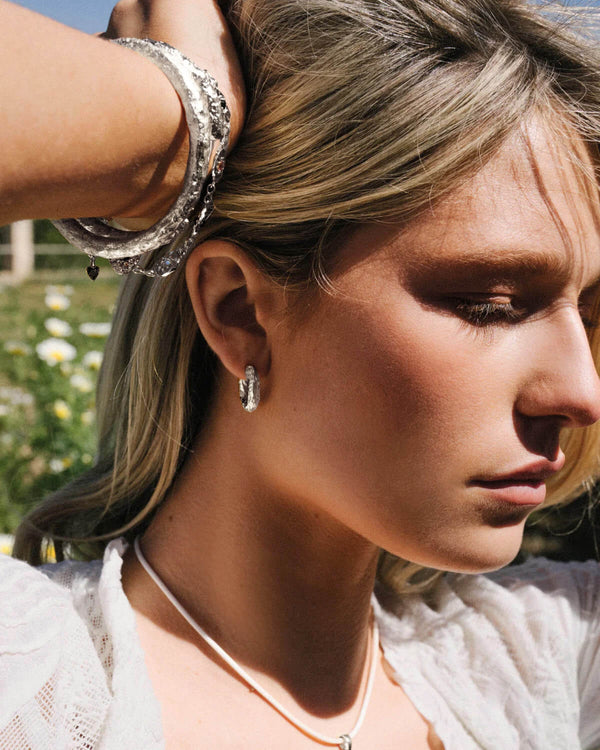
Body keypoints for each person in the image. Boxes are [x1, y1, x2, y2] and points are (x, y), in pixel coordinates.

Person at [2, 0, 600, 747]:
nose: (581, 393)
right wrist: (173, 118)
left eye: (590, 314)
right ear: (240, 312)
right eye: (491, 306)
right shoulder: (30, 679)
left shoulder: (541, 663)